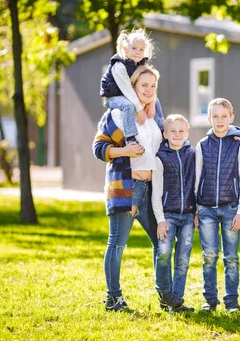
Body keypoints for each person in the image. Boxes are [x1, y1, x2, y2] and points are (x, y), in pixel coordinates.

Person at [93, 64, 180, 312]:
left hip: (151, 190)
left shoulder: (153, 117)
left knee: (163, 241)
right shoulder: (119, 114)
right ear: (132, 87)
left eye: (153, 86)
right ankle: (113, 298)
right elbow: (98, 148)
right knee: (117, 243)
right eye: (144, 85)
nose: (149, 90)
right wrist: (124, 151)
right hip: (127, 188)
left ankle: (166, 296)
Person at [195, 98, 240, 313]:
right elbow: (196, 179)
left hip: (230, 209)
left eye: (224, 116)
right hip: (206, 209)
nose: (219, 120)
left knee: (231, 258)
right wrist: (196, 210)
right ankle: (210, 300)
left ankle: (232, 301)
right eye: (215, 116)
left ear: (231, 118)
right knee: (209, 257)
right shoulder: (202, 145)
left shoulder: (238, 145)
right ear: (209, 118)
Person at [151, 114, 196, 313]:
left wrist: (196, 211)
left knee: (183, 260)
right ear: (165, 133)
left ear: (187, 133)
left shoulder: (193, 154)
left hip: (188, 215)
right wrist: (160, 219)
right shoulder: (160, 157)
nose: (177, 134)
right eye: (172, 131)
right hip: (167, 214)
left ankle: (176, 301)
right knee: (163, 254)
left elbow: (198, 184)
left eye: (181, 131)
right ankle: (163, 292)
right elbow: (157, 191)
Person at [99, 28, 157, 143]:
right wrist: (140, 110)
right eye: (134, 48)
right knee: (128, 106)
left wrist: (152, 102)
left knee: (153, 100)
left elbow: (151, 82)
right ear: (125, 48)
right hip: (113, 96)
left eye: (141, 50)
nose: (137, 52)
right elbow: (127, 89)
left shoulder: (139, 64)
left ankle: (159, 130)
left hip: (126, 94)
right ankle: (130, 137)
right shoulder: (119, 65)